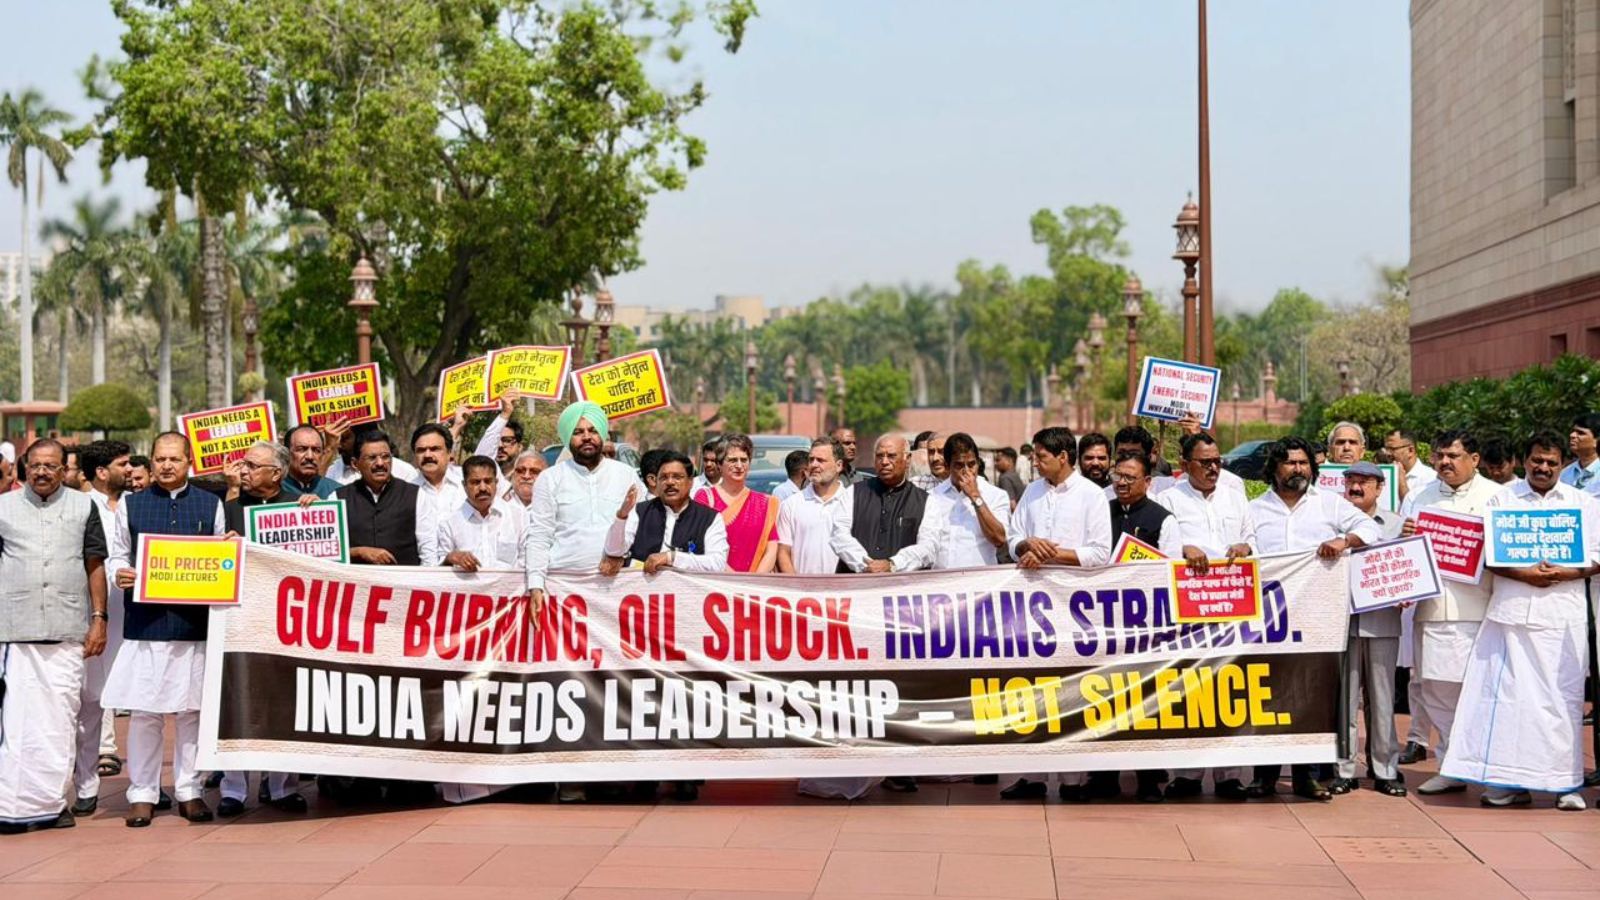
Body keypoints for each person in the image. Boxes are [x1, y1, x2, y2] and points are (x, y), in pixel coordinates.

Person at [1441, 431, 1600, 810]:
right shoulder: (1502, 499)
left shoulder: (1584, 504)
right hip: (1511, 614)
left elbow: (1596, 556)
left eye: (1552, 462)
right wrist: (1525, 574)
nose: (1543, 468)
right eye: (1536, 461)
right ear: (1524, 461)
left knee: (1562, 701)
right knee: (1509, 702)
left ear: (1563, 465)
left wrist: (1565, 572)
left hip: (1562, 617)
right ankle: (1509, 783)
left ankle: (1565, 784)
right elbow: (1493, 557)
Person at [1244, 436, 1379, 801]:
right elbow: (1244, 548)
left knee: (1309, 698)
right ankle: (1264, 777)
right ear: (1274, 467)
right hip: (1269, 620)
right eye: (1291, 463)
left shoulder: (1329, 505)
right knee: (1268, 696)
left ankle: (1307, 776)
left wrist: (1345, 541)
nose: (1299, 469)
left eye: (1304, 463)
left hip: (1316, 618)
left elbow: (1372, 529)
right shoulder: (1254, 509)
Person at [103, 431, 226, 827]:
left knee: (192, 711)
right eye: (160, 459)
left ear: (189, 462)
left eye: (175, 459)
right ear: (151, 462)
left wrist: (228, 553)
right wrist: (119, 572)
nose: (167, 466)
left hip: (194, 623)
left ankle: (190, 790)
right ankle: (143, 792)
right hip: (147, 622)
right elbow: (118, 553)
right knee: (145, 712)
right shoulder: (132, 504)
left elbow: (221, 553)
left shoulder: (211, 503)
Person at [523, 401, 643, 803]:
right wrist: (535, 585)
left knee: (615, 682)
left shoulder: (626, 475)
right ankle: (571, 776)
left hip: (614, 594)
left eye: (593, 430)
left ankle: (613, 773)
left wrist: (617, 553)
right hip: (563, 595)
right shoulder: (550, 480)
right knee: (569, 685)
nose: (587, 437)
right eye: (579, 431)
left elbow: (633, 532)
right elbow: (539, 535)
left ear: (604, 434)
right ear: (567, 437)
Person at [0, 439, 108, 834]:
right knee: (15, 722)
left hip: (67, 630)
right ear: (25, 468)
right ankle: (10, 807)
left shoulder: (84, 507)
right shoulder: (3, 508)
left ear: (66, 470)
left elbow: (94, 564)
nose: (42, 472)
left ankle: (51, 803)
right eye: (36, 466)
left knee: (59, 722)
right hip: (14, 631)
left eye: (51, 466)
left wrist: (99, 618)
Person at [1000, 426, 1113, 801]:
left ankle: (1071, 779)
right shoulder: (1032, 492)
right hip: (1031, 606)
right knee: (1030, 689)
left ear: (1063, 457)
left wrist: (1051, 554)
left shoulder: (1092, 497)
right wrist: (1025, 547)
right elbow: (1012, 539)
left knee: (1071, 690)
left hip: (1074, 608)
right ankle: (1030, 775)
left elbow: (1099, 554)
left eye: (1041, 456)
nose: (1034, 461)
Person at [1155, 431, 1253, 801]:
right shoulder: (1167, 498)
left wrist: (1245, 546)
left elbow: (1251, 537)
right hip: (1189, 609)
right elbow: (1158, 546)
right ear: (1184, 465)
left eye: (1217, 461)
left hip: (1231, 607)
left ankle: (1229, 774)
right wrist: (1184, 546)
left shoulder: (1235, 494)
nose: (1214, 468)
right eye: (1205, 462)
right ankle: (1187, 774)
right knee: (1190, 689)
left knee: (1231, 686)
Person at [1400, 430, 1499, 792]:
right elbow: (1402, 551)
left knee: (1479, 693)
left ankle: (1487, 769)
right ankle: (1450, 765)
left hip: (1480, 609)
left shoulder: (1496, 497)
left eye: (1453, 456)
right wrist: (1405, 533)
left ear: (1474, 459)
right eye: (1440, 456)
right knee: (1435, 690)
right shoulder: (1420, 498)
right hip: (1432, 607)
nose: (1445, 462)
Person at [433, 454, 531, 806]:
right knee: (468, 699)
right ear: (465, 485)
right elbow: (428, 567)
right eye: (475, 482)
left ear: (497, 481)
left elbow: (527, 561)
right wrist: (451, 558)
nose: (483, 488)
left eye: (488, 481)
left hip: (509, 625)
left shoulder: (517, 518)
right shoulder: (449, 523)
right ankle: (465, 785)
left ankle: (507, 778)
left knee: (507, 697)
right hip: (466, 628)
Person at [219, 441, 308, 817]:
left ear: (277, 473)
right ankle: (234, 789)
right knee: (235, 700)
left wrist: (314, 518)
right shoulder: (229, 509)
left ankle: (283, 786)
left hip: (286, 619)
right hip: (239, 617)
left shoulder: (299, 505)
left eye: (253, 465)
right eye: (243, 464)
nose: (244, 470)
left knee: (284, 701)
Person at [1089, 450, 1181, 803]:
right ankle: (1103, 777)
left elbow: (1170, 571)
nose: (1122, 484)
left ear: (1148, 482)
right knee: (1101, 699)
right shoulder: (1101, 511)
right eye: (1118, 477)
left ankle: (1147, 778)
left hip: (1146, 628)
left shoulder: (1163, 519)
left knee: (1145, 703)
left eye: (1130, 478)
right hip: (1102, 625)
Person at [1335, 461, 1408, 797]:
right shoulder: (1333, 520)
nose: (1356, 487)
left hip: (1382, 621)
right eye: (1351, 480)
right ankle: (1344, 768)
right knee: (1344, 699)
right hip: (1340, 623)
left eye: (1365, 482)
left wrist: (1409, 590)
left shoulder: (1397, 525)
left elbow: (1409, 568)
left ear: (1380, 488)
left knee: (1382, 698)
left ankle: (1385, 767)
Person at [71, 440, 131, 815]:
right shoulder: (78, 508)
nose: (131, 469)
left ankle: (145, 786)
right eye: (123, 464)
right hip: (93, 617)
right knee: (91, 701)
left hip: (135, 617)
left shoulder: (135, 505)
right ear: (101, 472)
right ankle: (85, 785)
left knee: (140, 704)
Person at [831, 434, 942, 576]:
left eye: (891, 456)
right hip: (856, 588)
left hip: (900, 591)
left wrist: (893, 564)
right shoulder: (854, 493)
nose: (884, 462)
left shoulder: (925, 502)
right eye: (879, 456)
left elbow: (929, 547)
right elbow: (838, 535)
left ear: (907, 460)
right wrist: (865, 564)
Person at [336, 430, 439, 567]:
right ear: (355, 464)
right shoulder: (338, 498)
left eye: (385, 457)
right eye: (372, 458)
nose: (380, 463)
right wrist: (359, 552)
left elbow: (428, 553)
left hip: (404, 585)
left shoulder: (415, 496)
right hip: (358, 585)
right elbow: (330, 553)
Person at [693, 434, 779, 573]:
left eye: (744, 460)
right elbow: (699, 544)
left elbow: (771, 548)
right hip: (716, 584)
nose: (739, 465)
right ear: (720, 465)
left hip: (755, 587)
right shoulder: (705, 498)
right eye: (732, 460)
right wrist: (734, 581)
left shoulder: (764, 503)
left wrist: (753, 582)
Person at [929, 432, 1010, 568]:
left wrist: (975, 497)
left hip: (979, 584)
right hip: (941, 584)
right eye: (959, 465)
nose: (966, 471)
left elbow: (999, 539)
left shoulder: (996, 495)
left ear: (978, 463)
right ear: (948, 466)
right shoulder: (933, 497)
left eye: (971, 464)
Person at [777, 438, 853, 577]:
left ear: (839, 465)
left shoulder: (854, 504)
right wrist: (797, 587)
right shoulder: (791, 505)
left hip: (843, 594)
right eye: (811, 460)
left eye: (820, 460)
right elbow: (783, 551)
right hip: (803, 593)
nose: (813, 465)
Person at [282, 425, 343, 498]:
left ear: (322, 454)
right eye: (302, 449)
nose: (310, 456)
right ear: (286, 453)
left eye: (316, 450)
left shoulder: (337, 492)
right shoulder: (273, 491)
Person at [1386, 428, 1436, 503]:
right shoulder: (1385, 476)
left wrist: (1401, 482)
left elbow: (1413, 510)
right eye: (1386, 449)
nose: (1388, 454)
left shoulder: (1430, 478)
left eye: (1392, 449)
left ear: (1410, 450)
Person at [1561, 414, 1600, 490]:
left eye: (1581, 433)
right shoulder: (1565, 473)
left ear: (1597, 441)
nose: (1572, 435)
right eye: (1573, 431)